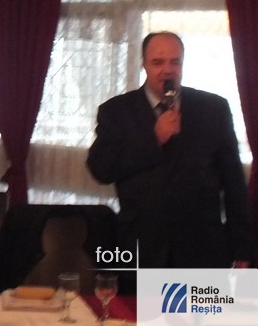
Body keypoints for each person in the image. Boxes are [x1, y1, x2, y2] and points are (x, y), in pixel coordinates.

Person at [87, 31, 252, 268]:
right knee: (139, 297)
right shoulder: (116, 111)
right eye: (158, 62)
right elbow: (101, 169)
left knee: (215, 297)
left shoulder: (214, 108)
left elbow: (234, 182)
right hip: (140, 250)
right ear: (143, 64)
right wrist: (154, 139)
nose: (168, 70)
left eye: (175, 62)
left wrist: (243, 249)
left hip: (203, 251)